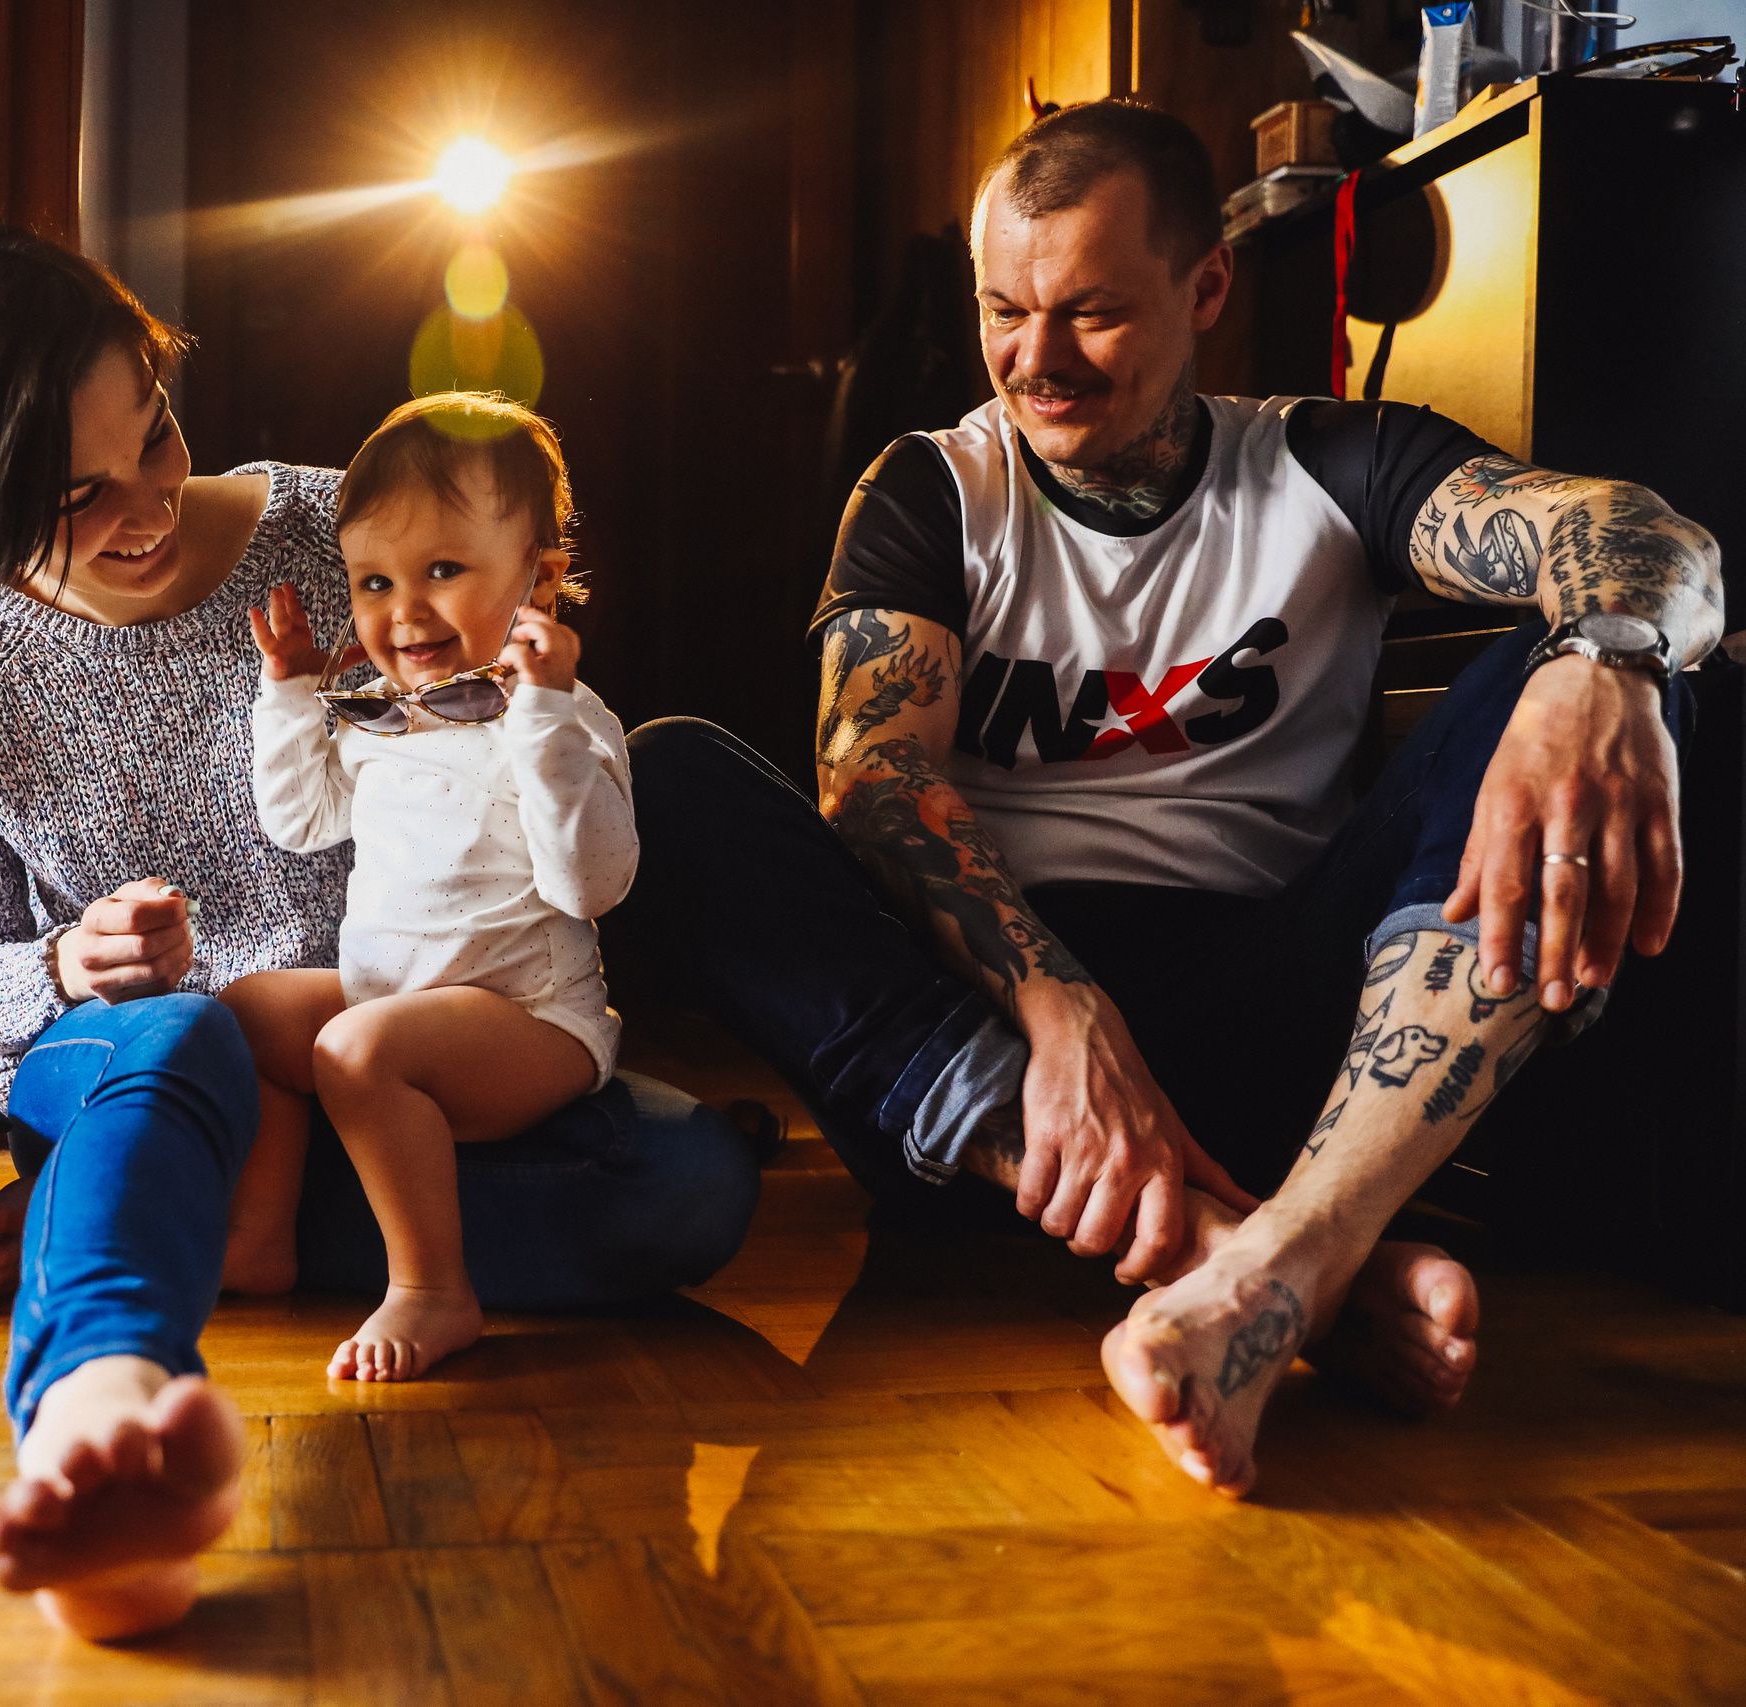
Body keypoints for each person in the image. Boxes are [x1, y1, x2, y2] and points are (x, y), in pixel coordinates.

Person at [602, 100, 1723, 1498]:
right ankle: (1253, 1264)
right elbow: (874, 775)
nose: (1035, 360)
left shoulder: (1330, 457)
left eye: (1090, 313)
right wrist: (1061, 1007)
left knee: (1587, 669)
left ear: (1204, 288)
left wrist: (1600, 663)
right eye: (1004, 310)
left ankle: (1295, 1239)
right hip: (993, 1076)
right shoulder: (935, 487)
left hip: (1283, 1025)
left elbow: (1647, 533)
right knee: (663, 775)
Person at [0, 218, 761, 1638]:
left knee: (694, 1182)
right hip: (143, 1054)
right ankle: (102, 1411)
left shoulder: (338, 528)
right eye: (77, 493)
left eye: (154, 435)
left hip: (391, 1041)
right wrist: (61, 963)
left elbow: (506, 773)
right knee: (185, 1032)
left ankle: (158, 1218)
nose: (149, 505)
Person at [223, 393, 633, 1382]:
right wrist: (287, 693)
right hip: (395, 1001)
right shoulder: (382, 714)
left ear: (541, 577)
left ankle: (431, 1288)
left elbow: (589, 888)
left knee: (358, 1050)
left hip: (527, 1024)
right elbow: (300, 821)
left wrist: (541, 722)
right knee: (248, 1010)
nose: (401, 608)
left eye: (442, 570)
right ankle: (258, 1234)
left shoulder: (568, 724)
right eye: (373, 579)